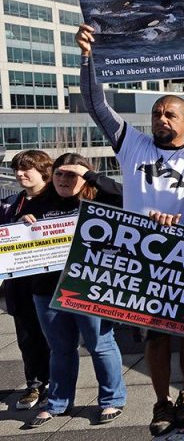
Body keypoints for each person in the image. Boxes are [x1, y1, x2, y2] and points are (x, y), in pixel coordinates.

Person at [76, 24, 184, 435]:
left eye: (171, 113)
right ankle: (160, 401)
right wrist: (88, 58)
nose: (161, 118)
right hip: (140, 253)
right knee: (154, 337)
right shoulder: (130, 144)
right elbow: (96, 104)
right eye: (157, 112)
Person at [18, 153, 126, 427]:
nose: (64, 179)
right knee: (60, 349)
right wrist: (24, 226)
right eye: (59, 174)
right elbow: (20, 241)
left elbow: (124, 194)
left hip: (90, 286)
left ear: (83, 176)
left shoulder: (101, 200)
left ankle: (112, 399)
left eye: (71, 174)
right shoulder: (40, 202)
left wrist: (89, 174)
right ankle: (57, 402)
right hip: (47, 289)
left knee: (100, 345)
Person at [0, 150, 54, 411]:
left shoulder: (58, 200)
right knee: (27, 336)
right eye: (16, 170)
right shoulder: (11, 203)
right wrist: (15, 224)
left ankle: (56, 386)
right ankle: (34, 384)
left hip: (49, 282)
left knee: (55, 337)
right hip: (18, 283)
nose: (19, 174)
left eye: (26, 169)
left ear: (43, 171)